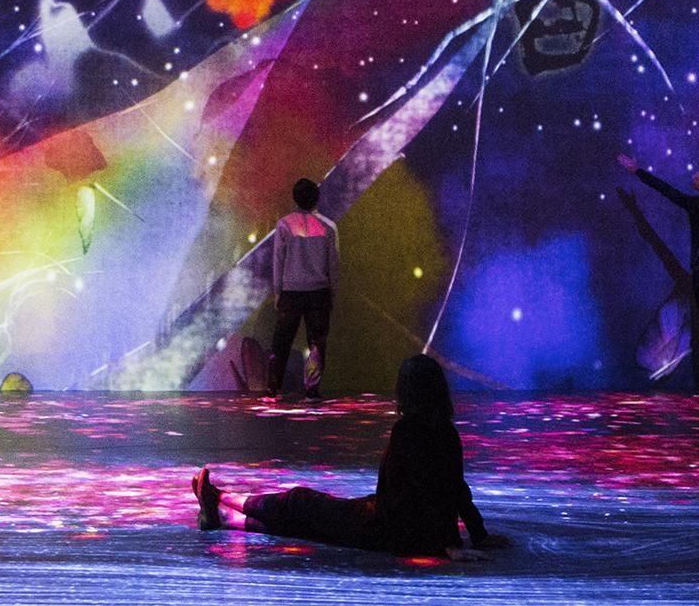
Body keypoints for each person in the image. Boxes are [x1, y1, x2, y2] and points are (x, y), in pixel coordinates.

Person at [192, 355, 496, 559]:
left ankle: (221, 499)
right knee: (304, 520)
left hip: (388, 529)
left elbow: (418, 495)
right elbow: (455, 490)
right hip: (401, 528)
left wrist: (444, 544)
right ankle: (221, 513)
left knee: (300, 503)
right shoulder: (446, 432)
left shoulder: (407, 432)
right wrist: (476, 534)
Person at [617, 151, 699, 393]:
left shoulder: (695, 205)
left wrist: (637, 171)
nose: (694, 175)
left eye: (698, 174)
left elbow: (666, 190)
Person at [265, 177, 339, 398]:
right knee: (317, 343)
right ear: (316, 197)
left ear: (295, 198)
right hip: (319, 292)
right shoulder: (328, 227)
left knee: (281, 342)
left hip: (291, 292)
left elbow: (278, 261)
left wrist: (278, 291)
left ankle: (273, 388)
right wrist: (332, 291)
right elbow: (333, 264)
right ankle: (311, 390)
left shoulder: (285, 225)